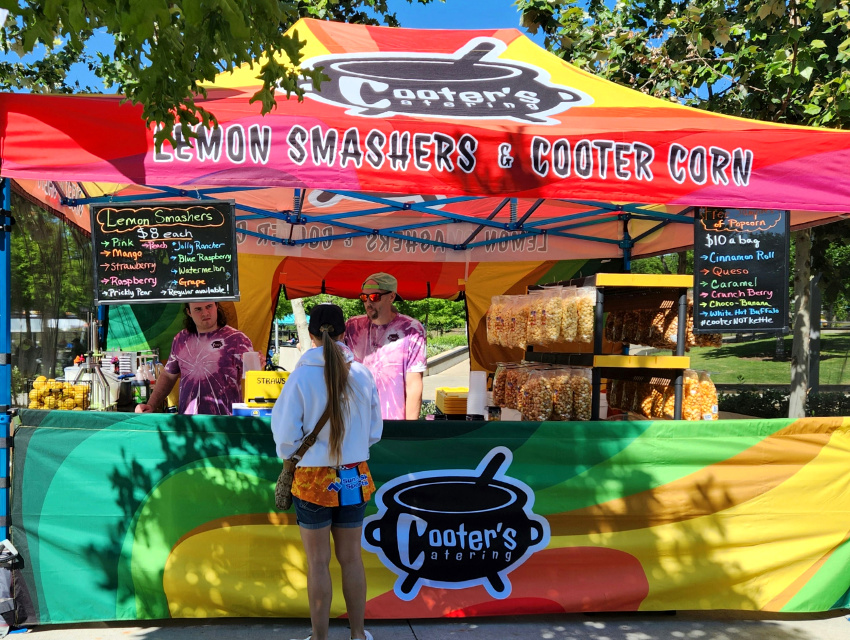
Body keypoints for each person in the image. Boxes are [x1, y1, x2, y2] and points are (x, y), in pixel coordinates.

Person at [271, 304, 381, 640]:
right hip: (353, 475)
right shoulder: (362, 374)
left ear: (311, 333)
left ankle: (319, 638)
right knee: (351, 559)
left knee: (318, 563)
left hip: (313, 479)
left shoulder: (301, 376)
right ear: (344, 332)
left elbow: (285, 436)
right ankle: (358, 635)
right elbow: (374, 432)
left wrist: (297, 456)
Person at [135, 300, 254, 415]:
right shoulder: (181, 339)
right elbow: (168, 375)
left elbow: (253, 376)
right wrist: (151, 404)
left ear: (217, 306)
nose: (205, 313)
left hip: (226, 423)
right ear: (189, 312)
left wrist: (258, 365)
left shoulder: (237, 339)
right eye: (198, 309)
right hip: (189, 424)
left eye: (209, 306)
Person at [344, 272, 426, 420]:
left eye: (375, 296)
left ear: (392, 297)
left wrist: (409, 431)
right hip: (356, 422)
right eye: (364, 297)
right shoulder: (352, 326)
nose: (368, 302)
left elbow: (414, 384)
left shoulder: (412, 329)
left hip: (393, 422)